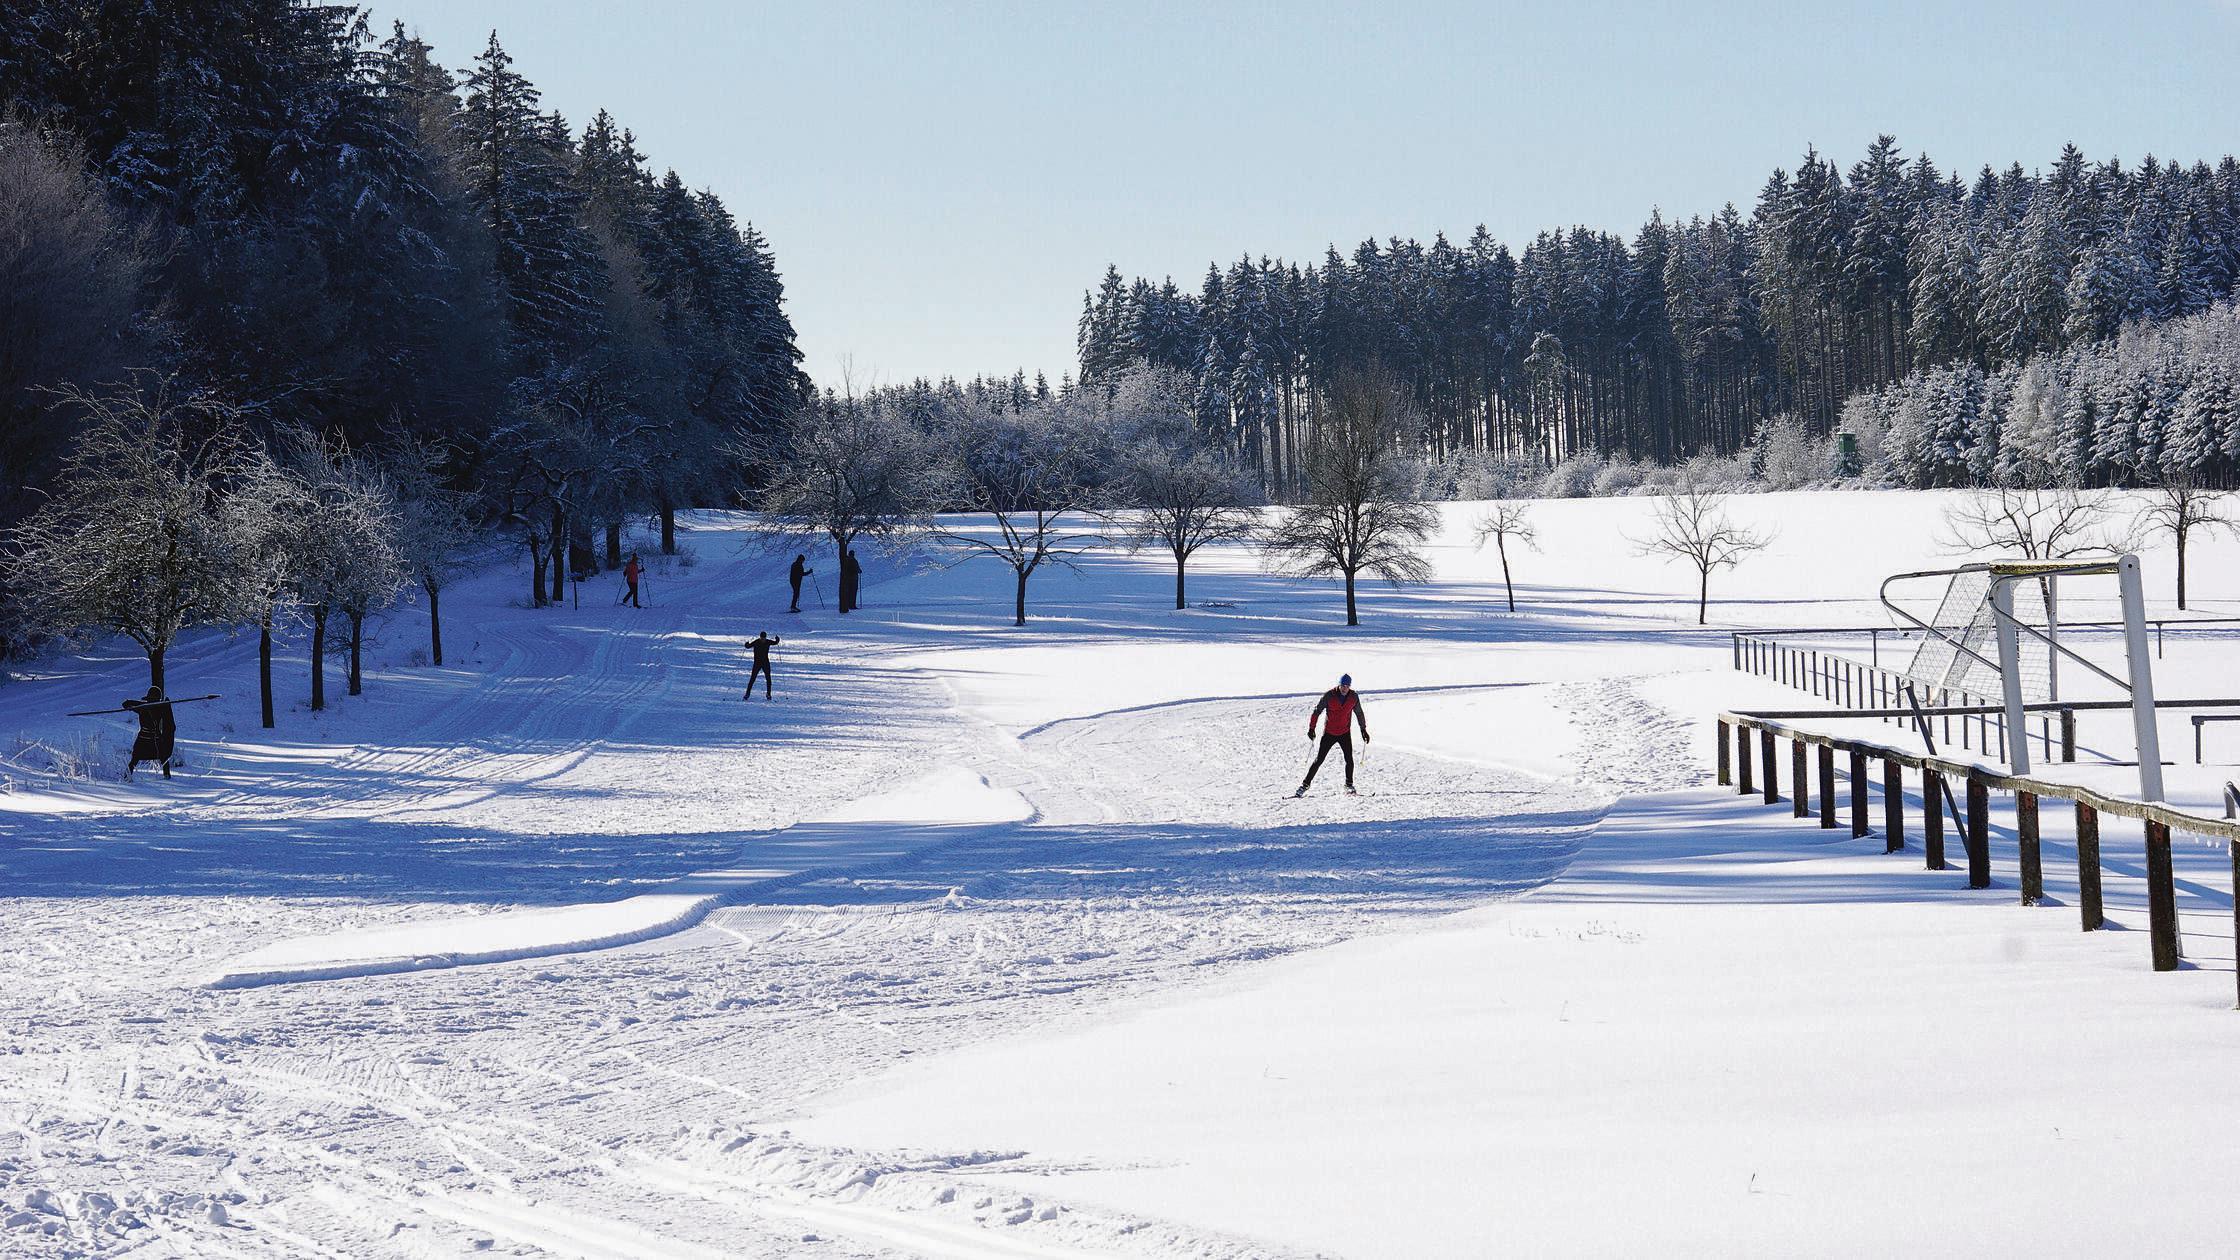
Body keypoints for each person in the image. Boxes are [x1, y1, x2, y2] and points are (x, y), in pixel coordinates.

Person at [1295, 673, 1369, 797]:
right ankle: (1304, 785)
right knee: (1319, 760)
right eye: (1343, 686)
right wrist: (1312, 728)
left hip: (1344, 733)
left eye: (1347, 686)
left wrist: (1363, 730)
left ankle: (1349, 785)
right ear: (1339, 685)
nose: (1345, 688)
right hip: (1329, 733)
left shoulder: (1353, 697)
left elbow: (1359, 713)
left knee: (1349, 760)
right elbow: (1317, 711)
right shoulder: (1329, 696)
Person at [122, 686, 178, 780]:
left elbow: (126, 704)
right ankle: (126, 777)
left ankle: (167, 776)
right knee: (137, 758)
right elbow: (125, 704)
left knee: (162, 756)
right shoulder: (148, 707)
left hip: (151, 738)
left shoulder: (152, 707)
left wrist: (166, 704)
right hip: (149, 738)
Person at [743, 632, 780, 700]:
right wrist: (746, 644)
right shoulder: (756, 642)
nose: (763, 639)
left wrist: (777, 639)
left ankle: (768, 694)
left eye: (764, 638)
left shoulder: (768, 642)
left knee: (768, 679)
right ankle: (747, 694)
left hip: (765, 663)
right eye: (762, 638)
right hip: (757, 663)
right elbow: (748, 646)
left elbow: (775, 643)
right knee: (752, 679)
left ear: (765, 637)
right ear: (760, 637)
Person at [839, 548, 863, 613]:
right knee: (853, 592)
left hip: (847, 579)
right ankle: (852, 605)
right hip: (853, 579)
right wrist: (859, 571)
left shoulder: (846, 560)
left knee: (849, 592)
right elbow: (856, 568)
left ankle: (849, 604)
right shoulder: (853, 560)